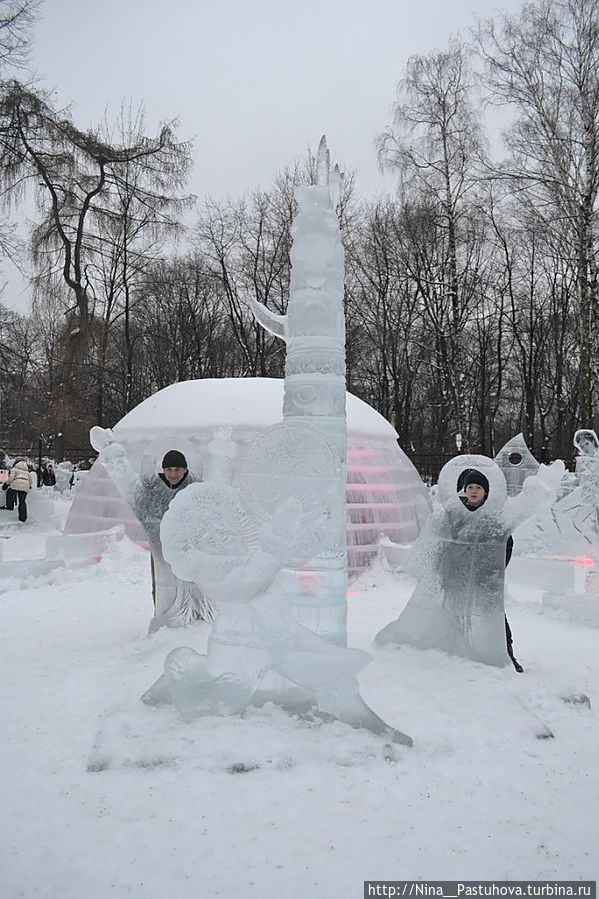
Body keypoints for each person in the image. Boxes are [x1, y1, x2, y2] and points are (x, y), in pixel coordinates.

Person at [459, 468, 524, 673]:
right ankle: (462, 648)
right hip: (461, 575)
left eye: (478, 487)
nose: (474, 491)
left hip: (486, 576)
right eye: (470, 487)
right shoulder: (459, 514)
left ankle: (506, 652)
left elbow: (507, 543)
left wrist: (495, 570)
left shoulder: (493, 516)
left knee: (494, 613)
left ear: (485, 491)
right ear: (465, 490)